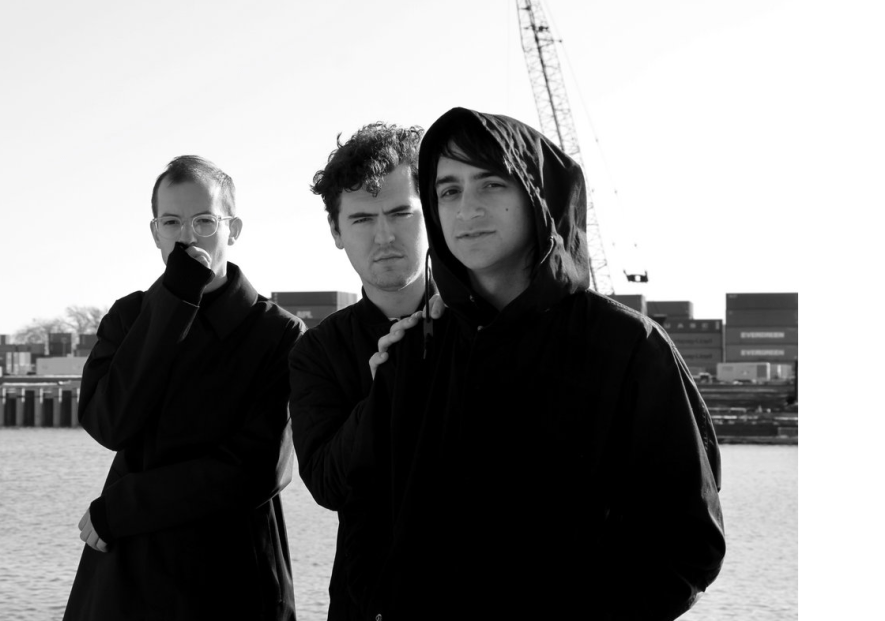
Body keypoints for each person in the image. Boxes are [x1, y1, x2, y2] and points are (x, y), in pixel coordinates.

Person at [356, 107, 726, 620]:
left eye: (492, 184)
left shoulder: (628, 347)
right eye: (448, 191)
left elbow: (687, 541)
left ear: (538, 196)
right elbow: (373, 521)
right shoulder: (416, 348)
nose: (467, 209)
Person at [64, 155, 304, 621]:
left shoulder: (278, 332)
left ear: (233, 230)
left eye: (204, 221)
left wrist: (124, 506)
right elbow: (109, 424)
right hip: (129, 576)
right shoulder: (130, 317)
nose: (188, 237)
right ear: (155, 233)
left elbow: (260, 469)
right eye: (172, 222)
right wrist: (174, 302)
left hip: (233, 576)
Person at [288, 122, 431, 620]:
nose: (384, 236)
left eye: (400, 213)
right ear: (336, 232)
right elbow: (327, 485)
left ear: (432, 214)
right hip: (367, 602)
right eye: (363, 219)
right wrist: (381, 394)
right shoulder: (317, 353)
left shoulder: (484, 327)